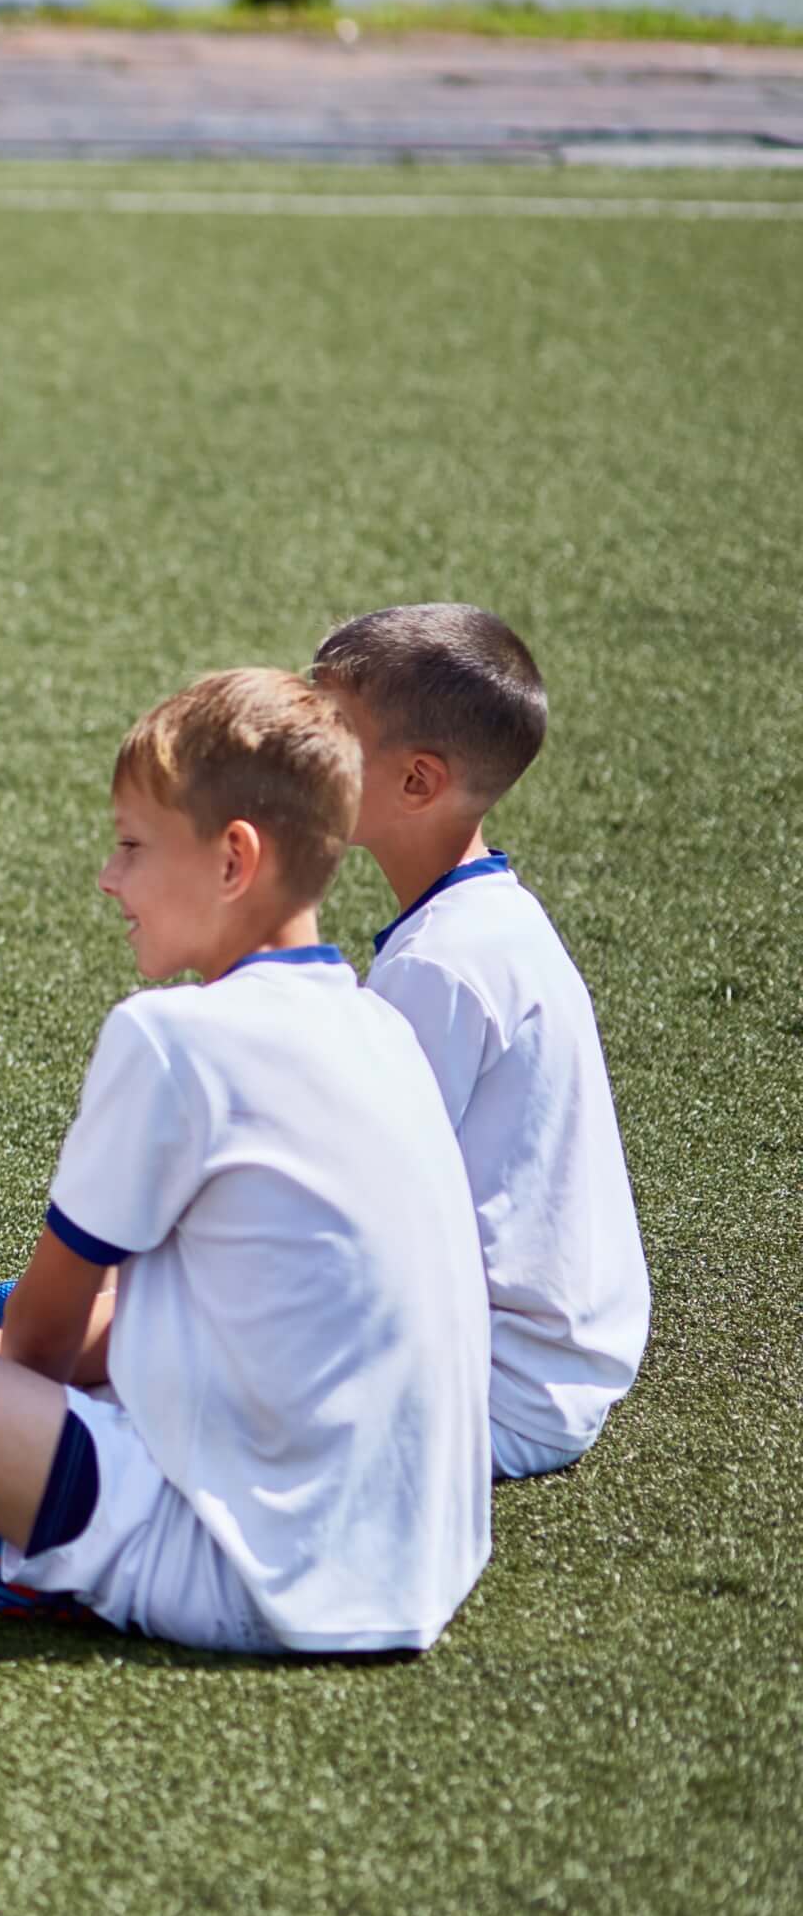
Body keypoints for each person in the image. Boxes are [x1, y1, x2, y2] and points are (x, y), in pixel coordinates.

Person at [0, 670, 491, 1653]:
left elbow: (44, 1340)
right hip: (416, 1560)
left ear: (233, 858)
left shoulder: (176, 1036)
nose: (107, 876)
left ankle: (31, 1557)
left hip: (236, 1565)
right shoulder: (379, 1028)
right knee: (88, 1331)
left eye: (132, 845)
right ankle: (11, 1525)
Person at [314, 604, 647, 1479]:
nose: (298, 746)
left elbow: (339, 1213)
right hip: (541, 1367)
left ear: (418, 782)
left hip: (488, 1390)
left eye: (331, 730)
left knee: (136, 1382)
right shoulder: (485, 921)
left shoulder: (443, 968)